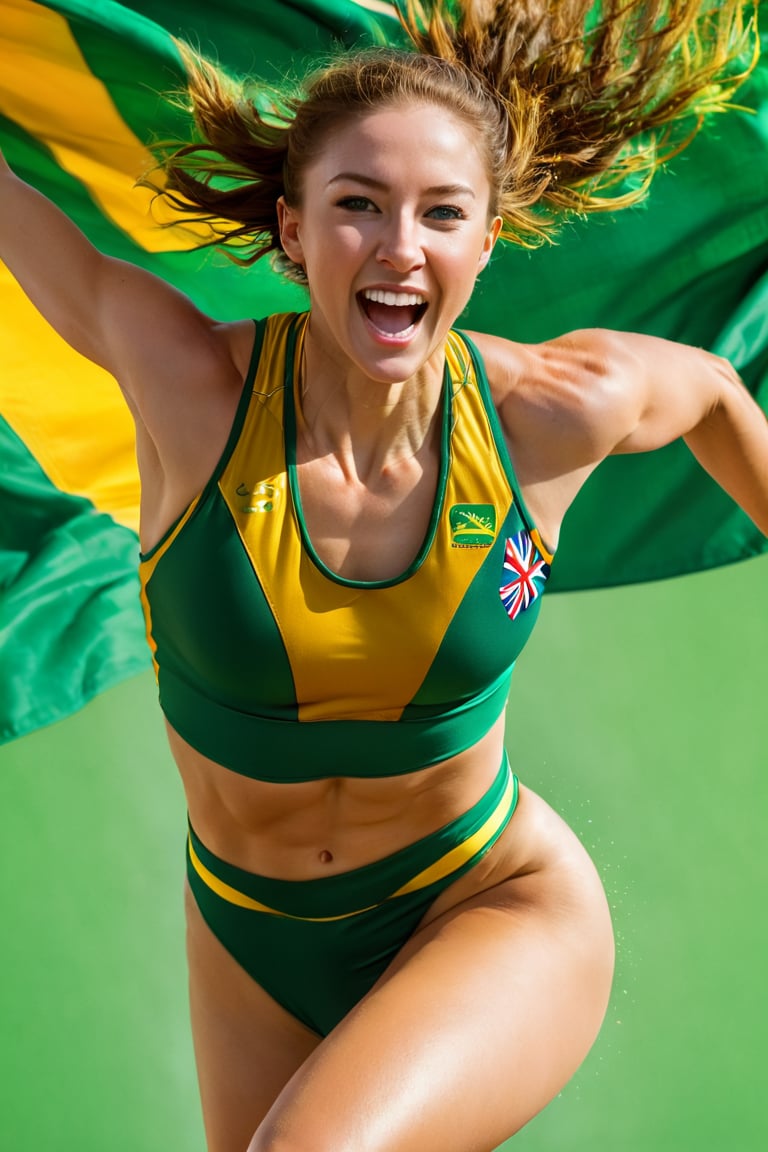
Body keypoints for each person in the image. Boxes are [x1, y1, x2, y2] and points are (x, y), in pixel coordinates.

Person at [2, 1, 766, 1149]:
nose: (400, 245)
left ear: (485, 242)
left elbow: (710, 386)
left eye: (441, 214)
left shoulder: (548, 414)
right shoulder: (192, 394)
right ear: (294, 231)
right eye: (357, 205)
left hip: (488, 902)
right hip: (249, 936)